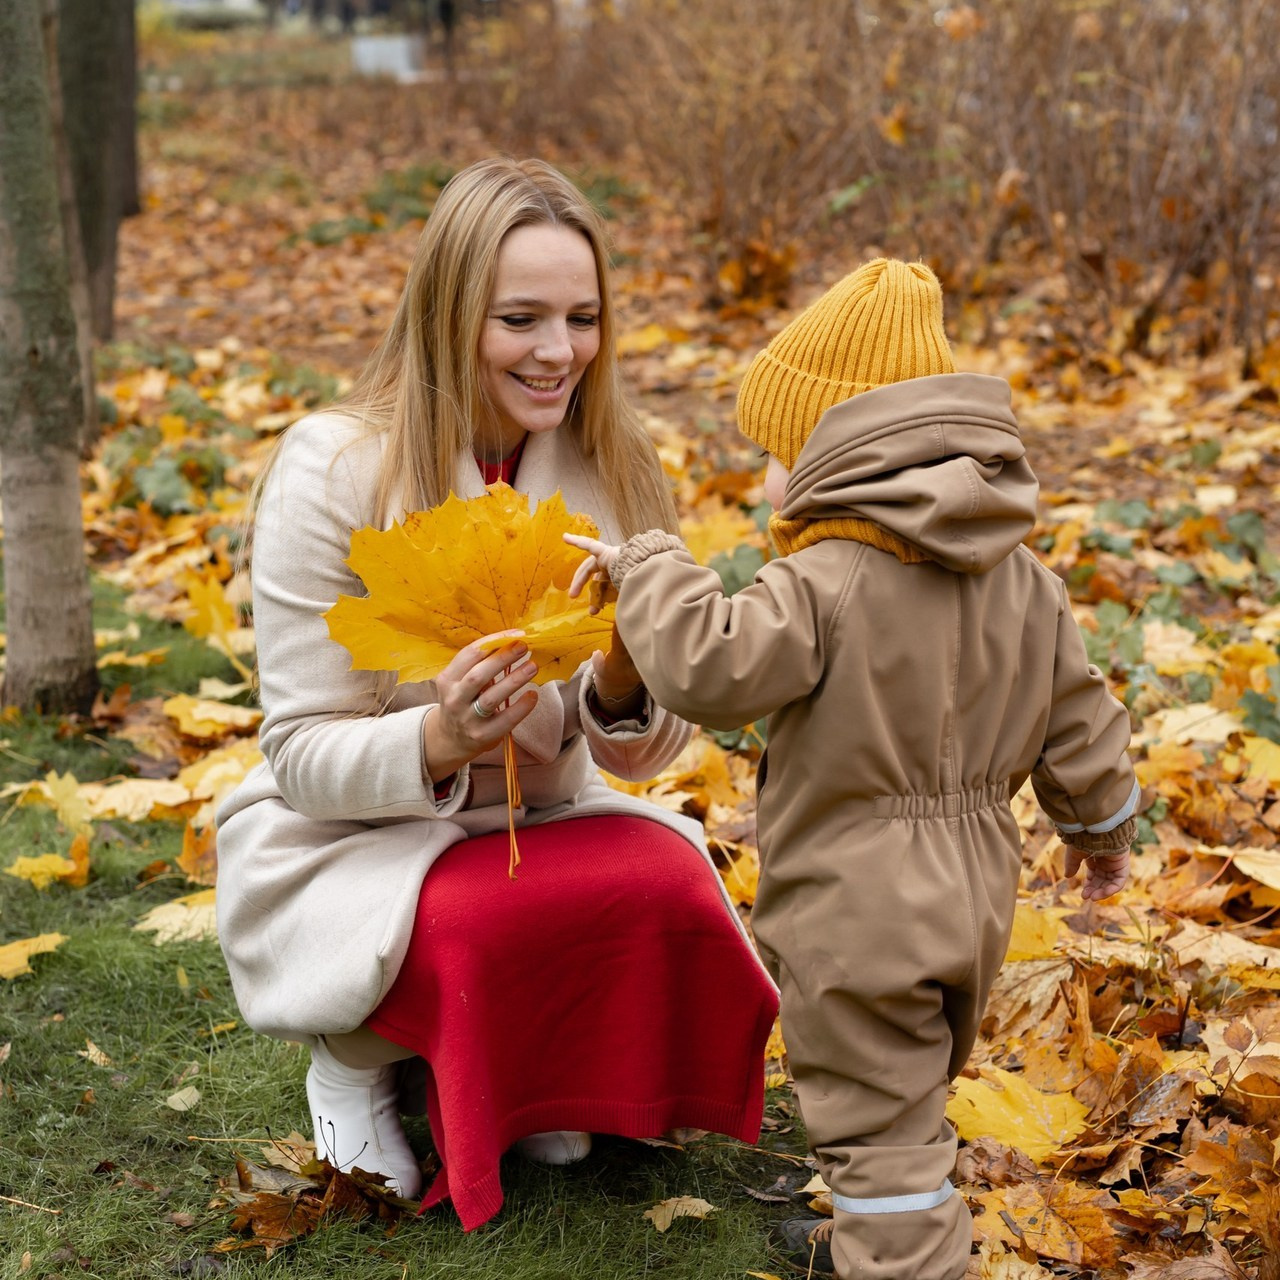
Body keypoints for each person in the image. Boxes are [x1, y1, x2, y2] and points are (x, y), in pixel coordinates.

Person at [214, 156, 779, 1232]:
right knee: (470, 924)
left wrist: (620, 676)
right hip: (362, 837)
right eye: (518, 317)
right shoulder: (332, 468)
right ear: (448, 313)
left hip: (549, 812)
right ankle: (351, 1058)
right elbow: (298, 751)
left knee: (672, 880)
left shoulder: (611, 464)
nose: (558, 351)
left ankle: (535, 1072)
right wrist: (435, 733)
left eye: (583, 316)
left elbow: (637, 756)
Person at [565, 258, 1139, 1280]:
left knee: (877, 1128)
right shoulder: (1026, 579)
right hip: (973, 888)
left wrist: (648, 567)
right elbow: (1080, 718)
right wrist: (1100, 834)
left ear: (844, 451)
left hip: (854, 899)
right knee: (905, 1091)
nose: (763, 480)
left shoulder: (821, 580)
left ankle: (898, 1252)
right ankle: (875, 1231)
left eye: (778, 453)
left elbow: (712, 666)